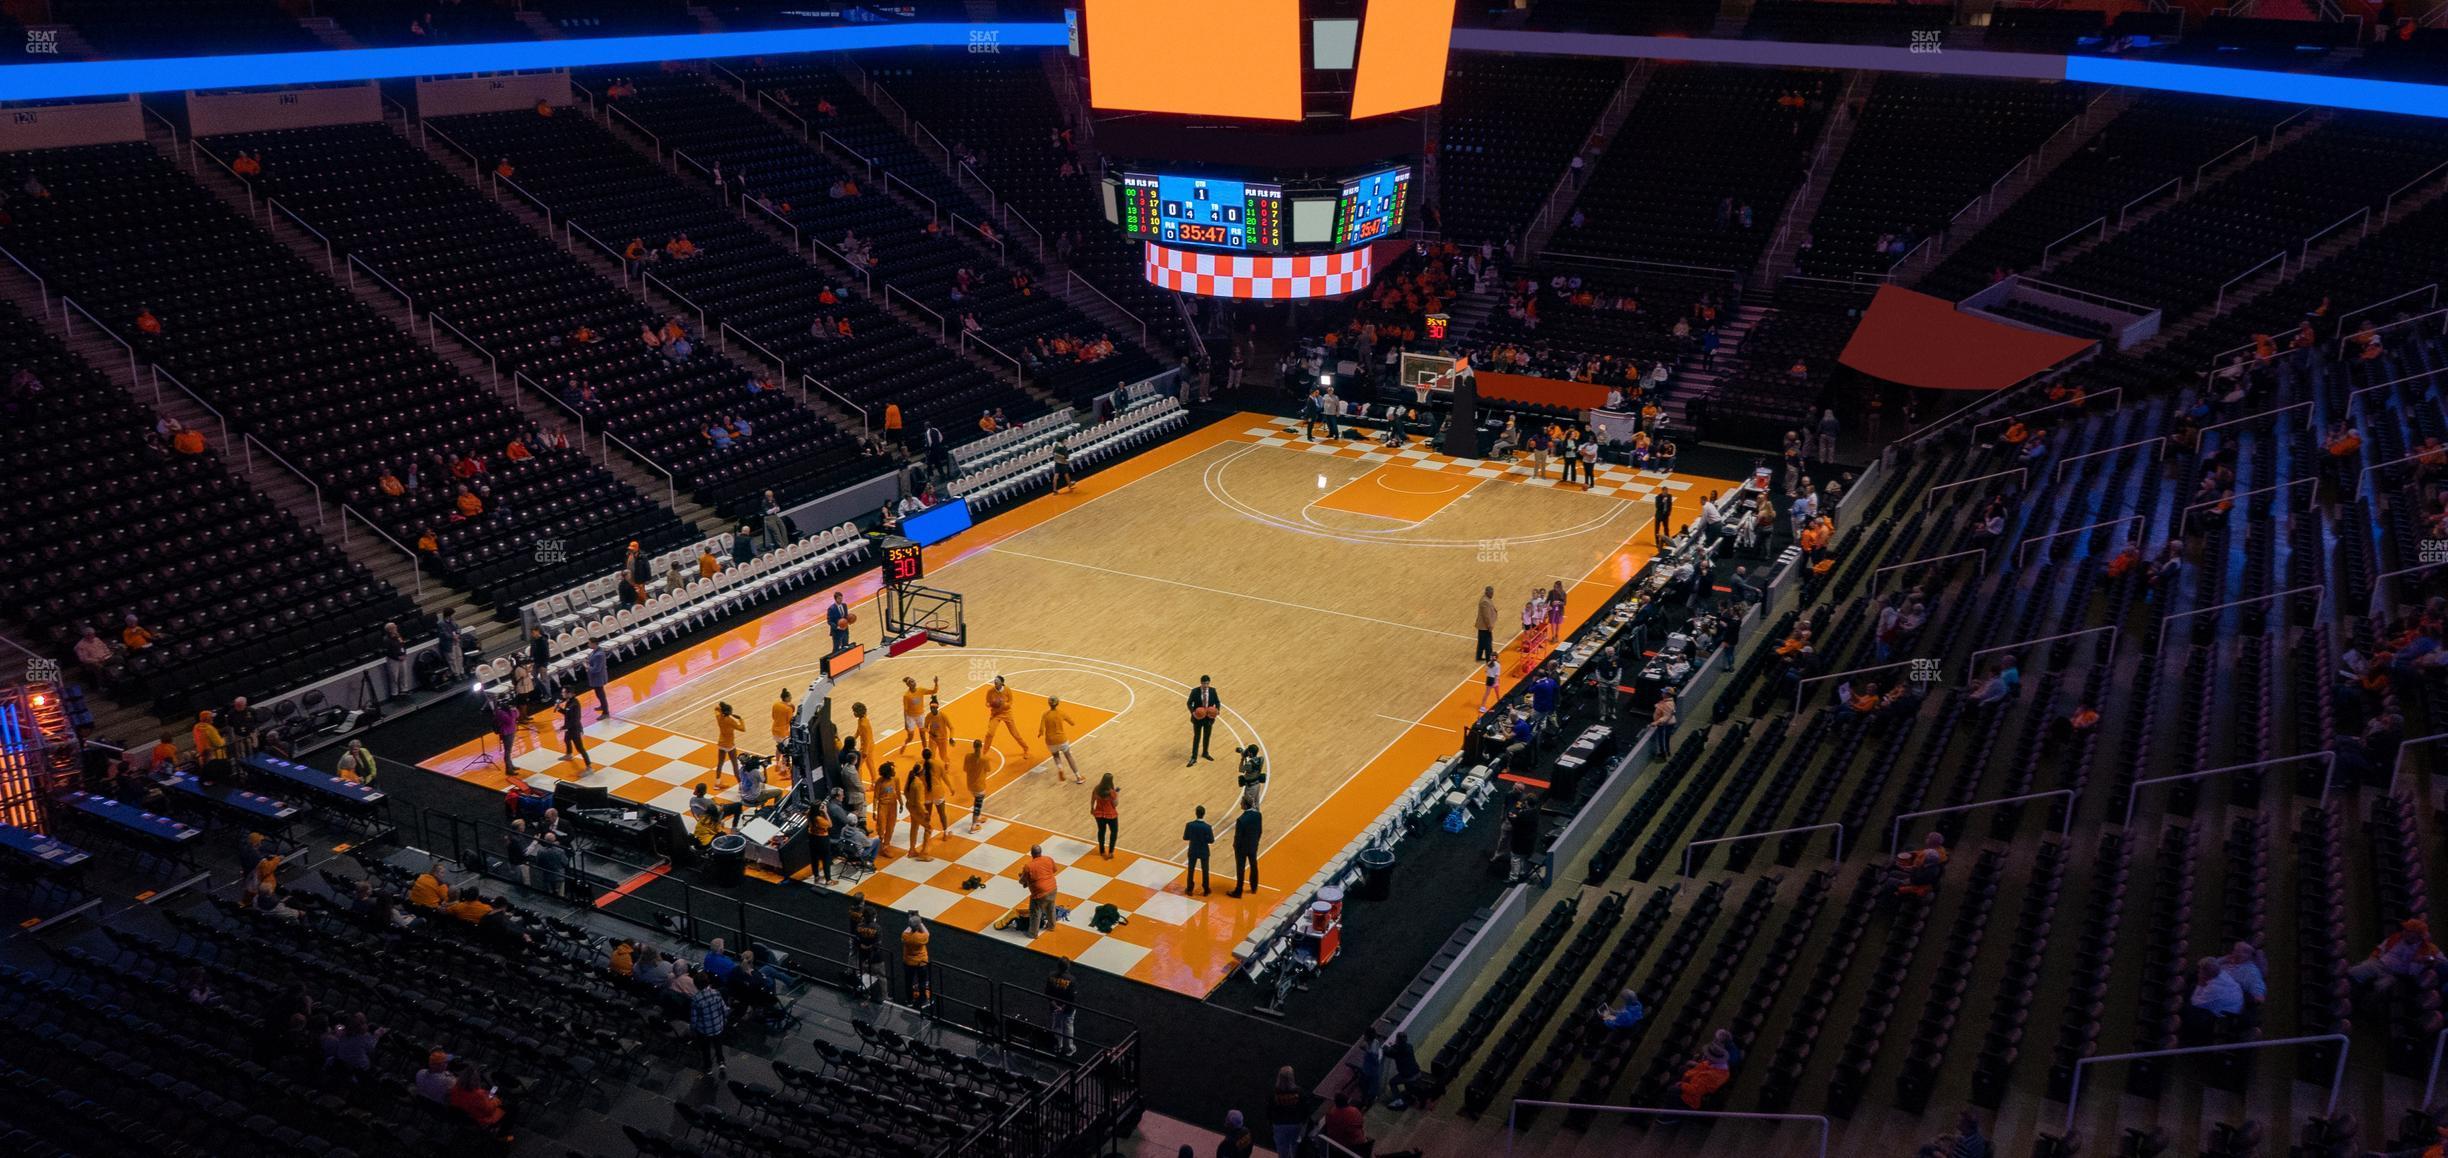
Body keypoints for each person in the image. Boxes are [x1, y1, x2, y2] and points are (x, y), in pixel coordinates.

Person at [2349, 917, 2443, 991]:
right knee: (2355, 971)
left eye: (2410, 931)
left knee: (2380, 987)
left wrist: (2427, 958)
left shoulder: (2428, 947)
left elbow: (2441, 961)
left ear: (2418, 935)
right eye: (2405, 930)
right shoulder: (2396, 938)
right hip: (2380, 964)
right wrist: (2372, 958)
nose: (2405, 933)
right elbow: (2379, 949)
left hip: (2396, 975)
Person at [2183, 956, 2244, 1044]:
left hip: (2225, 1015)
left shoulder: (2214, 988)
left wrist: (2200, 983)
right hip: (2231, 1005)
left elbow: (2195, 1002)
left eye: (2200, 971)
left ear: (2205, 973)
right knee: (2192, 980)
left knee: (2187, 1009)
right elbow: (2213, 965)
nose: (2199, 972)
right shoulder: (2222, 973)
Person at [688, 971, 730, 1075]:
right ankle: (721, 1062)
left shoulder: (696, 999)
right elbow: (724, 1009)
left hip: (704, 1031)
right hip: (718, 1026)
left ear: (696, 985)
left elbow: (694, 1019)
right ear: (708, 982)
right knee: (718, 1045)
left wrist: (693, 1030)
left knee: (705, 1049)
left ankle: (708, 1068)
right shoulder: (716, 993)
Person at [983, 674, 1031, 756]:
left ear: (1002, 683)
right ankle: (984, 752)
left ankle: (1026, 748)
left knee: (1015, 734)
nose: (995, 683)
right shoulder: (990, 691)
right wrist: (991, 704)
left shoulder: (1007, 690)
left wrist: (1002, 704)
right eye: (994, 682)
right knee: (990, 733)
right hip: (995, 714)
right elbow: (987, 703)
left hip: (1006, 713)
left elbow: (1010, 702)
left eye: (997, 682)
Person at [1265, 1066, 1307, 1158]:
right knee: (1295, 1147)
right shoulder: (1299, 1092)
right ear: (1292, 1077)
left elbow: (1269, 1110)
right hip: (1296, 1124)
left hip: (1279, 1125)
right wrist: (1303, 1121)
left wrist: (1270, 1123)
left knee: (1282, 1149)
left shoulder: (1274, 1093)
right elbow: (1305, 1108)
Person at [1020, 843, 1059, 935]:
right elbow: (1054, 870)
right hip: (1053, 888)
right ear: (1040, 852)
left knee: (1035, 913)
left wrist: (1024, 878)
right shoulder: (1048, 859)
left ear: (1031, 854)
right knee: (1051, 907)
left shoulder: (1028, 866)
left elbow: (1022, 881)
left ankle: (1033, 933)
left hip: (1039, 894)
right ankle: (1051, 926)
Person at [1041, 695, 1082, 782]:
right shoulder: (1061, 713)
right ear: (1058, 703)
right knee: (1068, 756)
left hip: (1050, 741)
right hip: (1061, 739)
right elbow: (1072, 723)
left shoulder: (1045, 714)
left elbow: (1041, 730)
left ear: (1049, 703)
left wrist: (1040, 734)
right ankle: (1078, 777)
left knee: (1056, 756)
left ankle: (1060, 768)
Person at [1046, 958, 1078, 1057]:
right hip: (1067, 1008)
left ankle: (1057, 1046)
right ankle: (1068, 1048)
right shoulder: (1071, 980)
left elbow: (1047, 993)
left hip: (1054, 1007)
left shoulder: (1051, 976)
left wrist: (1055, 1006)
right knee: (1068, 1026)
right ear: (1068, 966)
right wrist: (1063, 1007)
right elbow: (1071, 997)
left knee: (1056, 1025)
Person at [1186, 675, 1222, 765]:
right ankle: (1194, 757)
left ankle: (1205, 753)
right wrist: (1193, 712)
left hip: (1209, 718)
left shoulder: (1213, 691)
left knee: (1207, 736)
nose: (1206, 685)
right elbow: (1189, 703)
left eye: (1207, 683)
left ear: (1209, 683)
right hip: (1198, 718)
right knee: (1197, 737)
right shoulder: (1195, 691)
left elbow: (1217, 702)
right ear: (1201, 683)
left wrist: (1217, 710)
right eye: (1204, 683)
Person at [1230, 803, 1263, 897]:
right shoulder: (1258, 815)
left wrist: (1235, 846)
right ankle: (1254, 887)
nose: (1240, 804)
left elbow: (1238, 836)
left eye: (1241, 803)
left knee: (1240, 869)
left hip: (1242, 848)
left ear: (1245, 805)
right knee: (1254, 865)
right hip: (1253, 845)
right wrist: (1256, 842)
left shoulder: (1241, 820)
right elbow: (1260, 830)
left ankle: (1238, 891)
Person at [900, 913, 933, 1008]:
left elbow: (907, 930)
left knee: (908, 981)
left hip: (908, 962)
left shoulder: (905, 936)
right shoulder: (921, 937)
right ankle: (923, 1001)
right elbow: (927, 933)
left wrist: (912, 921)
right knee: (922, 982)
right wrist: (920, 923)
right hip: (921, 962)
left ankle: (909, 1000)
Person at [712, 702, 745, 785]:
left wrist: (722, 709)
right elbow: (742, 729)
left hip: (721, 743)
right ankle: (741, 785)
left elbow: (716, 708)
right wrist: (741, 719)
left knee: (720, 763)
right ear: (729, 712)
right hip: (729, 744)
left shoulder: (719, 717)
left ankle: (717, 783)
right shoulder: (730, 721)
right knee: (735, 765)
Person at [1090, 774, 1121, 859]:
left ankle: (1102, 851)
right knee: (1114, 832)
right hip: (1111, 815)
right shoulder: (1111, 792)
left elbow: (1093, 799)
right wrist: (1117, 794)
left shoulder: (1097, 788)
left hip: (1099, 814)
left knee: (1101, 831)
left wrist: (1092, 808)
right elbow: (1115, 804)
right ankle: (1110, 852)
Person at [558, 689, 591, 768]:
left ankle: (589, 766)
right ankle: (569, 754)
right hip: (570, 728)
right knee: (566, 740)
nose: (562, 694)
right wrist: (559, 709)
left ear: (570, 694)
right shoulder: (569, 702)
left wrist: (564, 727)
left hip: (574, 729)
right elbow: (567, 713)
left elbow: (575, 720)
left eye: (564, 692)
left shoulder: (574, 704)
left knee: (580, 748)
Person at [1650, 689, 1677, 756]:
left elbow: (1666, 717)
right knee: (1663, 739)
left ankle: (1664, 754)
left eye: (1663, 692)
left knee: (1663, 740)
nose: (1662, 693)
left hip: (1665, 725)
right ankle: (1664, 752)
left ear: (1667, 694)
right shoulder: (1666, 702)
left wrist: (1656, 722)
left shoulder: (1668, 704)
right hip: (1664, 724)